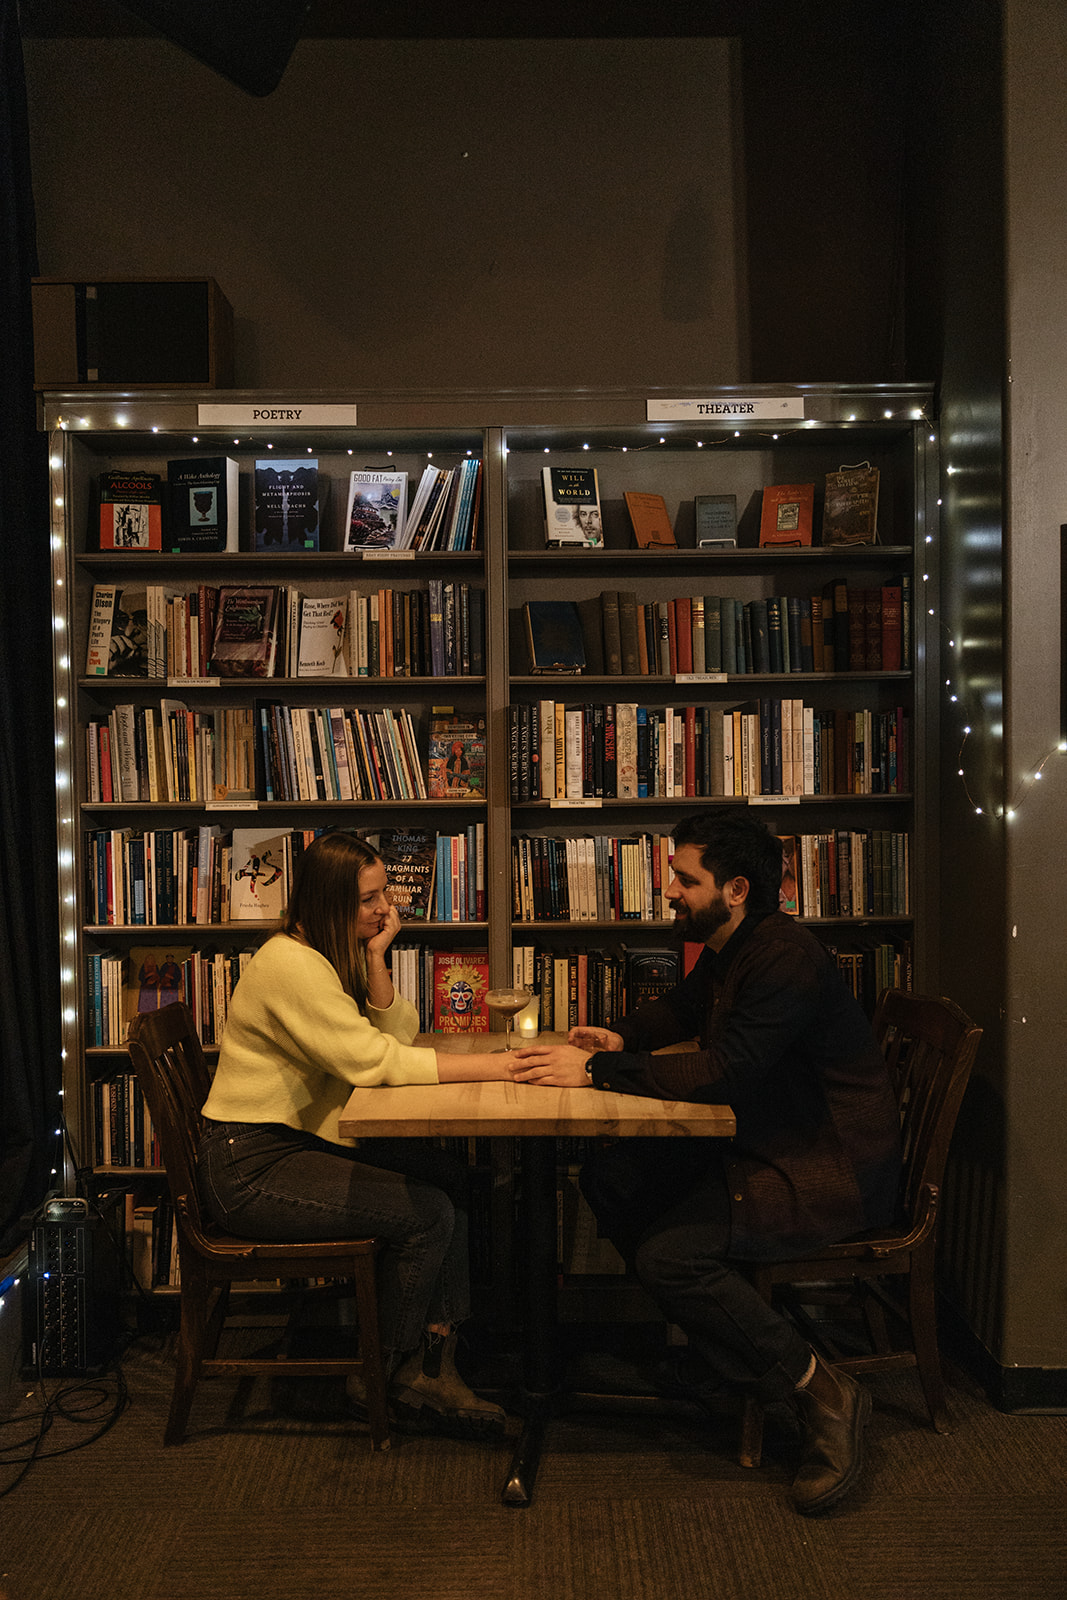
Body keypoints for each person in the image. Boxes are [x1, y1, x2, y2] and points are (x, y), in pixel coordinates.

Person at [508, 809, 903, 1513]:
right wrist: (615, 1038)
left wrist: (597, 1073)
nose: (667, 890)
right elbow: (684, 1010)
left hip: (821, 1165)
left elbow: (725, 1071)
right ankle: (731, 1362)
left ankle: (823, 1391)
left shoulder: (783, 956)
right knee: (611, 1175)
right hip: (768, 1139)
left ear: (735, 888)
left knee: (670, 1258)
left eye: (682, 879)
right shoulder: (736, 941)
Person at [197, 830, 512, 1437]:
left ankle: (435, 1357)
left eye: (382, 894)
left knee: (447, 1176)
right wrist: (494, 1064)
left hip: (287, 1145)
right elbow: (376, 1063)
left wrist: (376, 960)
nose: (385, 908)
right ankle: (384, 1370)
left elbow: (395, 1037)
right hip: (250, 1167)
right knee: (429, 1215)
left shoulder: (320, 953)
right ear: (329, 901)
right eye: (369, 899)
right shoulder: (291, 966)